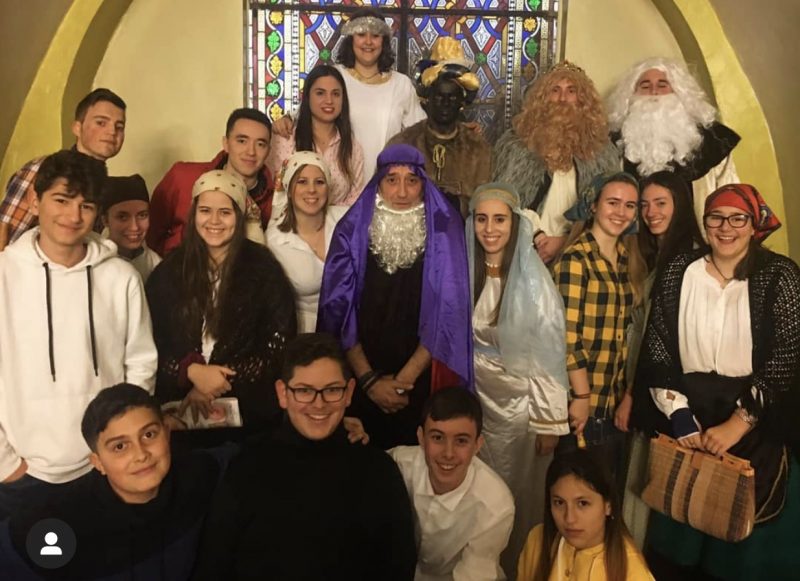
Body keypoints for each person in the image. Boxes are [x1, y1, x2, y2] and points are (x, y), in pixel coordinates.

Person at [633, 184, 800, 580]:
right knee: (681, 539)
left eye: (738, 218)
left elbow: (785, 358)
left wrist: (737, 425)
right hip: (687, 422)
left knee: (743, 556)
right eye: (716, 218)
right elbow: (658, 346)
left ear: (754, 225)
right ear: (704, 222)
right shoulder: (680, 270)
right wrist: (679, 416)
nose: (726, 228)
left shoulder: (780, 275)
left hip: (756, 424)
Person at [0, 150, 157, 519]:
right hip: (22, 475)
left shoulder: (121, 278)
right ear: (35, 200)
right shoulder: (5, 275)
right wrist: (6, 463)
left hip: (103, 467)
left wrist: (121, 447)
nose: (73, 216)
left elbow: (140, 365)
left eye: (86, 206)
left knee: (105, 553)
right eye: (61, 200)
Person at [192, 333, 417, 580]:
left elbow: (398, 568)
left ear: (349, 392)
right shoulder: (246, 468)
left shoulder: (379, 472)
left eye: (332, 390)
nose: (318, 404)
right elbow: (213, 567)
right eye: (304, 390)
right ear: (283, 393)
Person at [317, 143, 473, 449]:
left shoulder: (445, 232)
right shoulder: (350, 232)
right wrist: (370, 381)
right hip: (360, 378)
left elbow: (447, 314)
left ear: (423, 185)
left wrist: (403, 382)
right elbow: (339, 314)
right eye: (392, 180)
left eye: (411, 181)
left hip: (420, 379)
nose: (402, 192)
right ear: (379, 184)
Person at [0, 384, 235, 580]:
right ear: (98, 462)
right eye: (120, 446)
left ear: (166, 433)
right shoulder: (59, 523)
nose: (140, 454)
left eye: (149, 435)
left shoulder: (198, 474)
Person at [145, 170, 296, 447]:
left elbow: (278, 345)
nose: (214, 221)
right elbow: (149, 342)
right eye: (205, 211)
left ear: (239, 216)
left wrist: (215, 382)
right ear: (193, 215)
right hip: (178, 419)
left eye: (225, 212)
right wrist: (190, 372)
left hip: (250, 423)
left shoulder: (263, 269)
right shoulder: (169, 271)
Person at [466, 183, 570, 578]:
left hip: (519, 407)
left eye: (499, 220)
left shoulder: (532, 281)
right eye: (482, 219)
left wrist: (549, 422)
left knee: (514, 490)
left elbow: (548, 356)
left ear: (515, 225)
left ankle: (516, 568)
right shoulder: (466, 272)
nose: (490, 229)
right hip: (474, 398)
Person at [614, 171, 704, 547]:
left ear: (679, 205)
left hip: (660, 388)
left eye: (661, 203)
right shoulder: (661, 255)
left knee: (645, 485)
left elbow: (660, 339)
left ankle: (634, 559)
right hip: (649, 381)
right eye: (645, 204)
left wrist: (631, 395)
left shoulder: (686, 260)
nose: (651, 212)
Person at [552, 173, 643, 486]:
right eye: (613, 203)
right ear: (593, 206)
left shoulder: (627, 260)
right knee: (578, 490)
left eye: (629, 205)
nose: (621, 212)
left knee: (606, 493)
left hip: (613, 403)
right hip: (583, 404)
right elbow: (566, 336)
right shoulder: (576, 260)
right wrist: (581, 395)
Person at [274, 8, 426, 179]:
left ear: (384, 41)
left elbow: (421, 132)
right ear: (351, 39)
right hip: (339, 181)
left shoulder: (401, 84)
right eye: (361, 34)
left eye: (375, 36)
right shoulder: (335, 77)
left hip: (386, 181)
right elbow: (307, 112)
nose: (368, 42)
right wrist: (286, 120)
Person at [493, 62, 619, 264]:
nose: (562, 98)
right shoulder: (516, 145)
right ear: (543, 97)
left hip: (582, 256)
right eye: (555, 90)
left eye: (571, 91)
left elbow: (610, 209)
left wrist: (565, 242)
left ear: (583, 99)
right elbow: (501, 199)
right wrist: (536, 237)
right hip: (524, 251)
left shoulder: (602, 151)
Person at [389, 387, 514, 581]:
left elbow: (473, 574)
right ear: (421, 438)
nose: (448, 453)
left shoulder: (496, 504)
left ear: (478, 444)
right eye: (437, 438)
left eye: (461, 441)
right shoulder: (397, 464)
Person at [607, 57, 740, 225]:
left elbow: (731, 200)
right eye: (645, 86)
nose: (654, 92)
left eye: (662, 85)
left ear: (680, 91)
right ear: (631, 95)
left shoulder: (714, 141)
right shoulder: (616, 143)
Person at [0, 88, 126, 251]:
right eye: (101, 123)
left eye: (119, 126)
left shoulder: (103, 182)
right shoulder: (43, 169)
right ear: (77, 128)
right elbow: (5, 233)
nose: (112, 132)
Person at [147, 108, 274, 256]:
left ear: (268, 151)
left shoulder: (274, 201)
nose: (251, 152)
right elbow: (150, 234)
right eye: (241, 141)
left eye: (260, 144)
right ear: (226, 143)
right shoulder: (183, 177)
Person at [387, 37, 490, 215]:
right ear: (427, 99)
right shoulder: (403, 144)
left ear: (461, 102)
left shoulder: (478, 149)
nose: (445, 103)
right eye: (439, 96)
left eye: (452, 97)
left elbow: (484, 205)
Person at [517, 451, 654, 581]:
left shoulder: (632, 572)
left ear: (608, 505)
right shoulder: (538, 540)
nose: (569, 519)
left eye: (583, 503)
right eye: (559, 503)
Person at [266, 152, 347, 333]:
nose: (312, 190)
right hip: (304, 334)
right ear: (289, 189)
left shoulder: (346, 219)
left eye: (319, 182)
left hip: (349, 328)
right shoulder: (275, 240)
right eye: (302, 182)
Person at [267, 65, 365, 205]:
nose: (329, 100)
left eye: (336, 94)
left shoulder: (352, 149)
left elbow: (355, 200)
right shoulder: (284, 139)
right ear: (307, 96)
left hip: (339, 219)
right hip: (287, 218)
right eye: (320, 93)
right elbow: (271, 190)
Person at [101, 174, 162, 282]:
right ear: (105, 220)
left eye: (142, 215)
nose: (134, 227)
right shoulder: (94, 263)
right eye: (122, 217)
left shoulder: (156, 265)